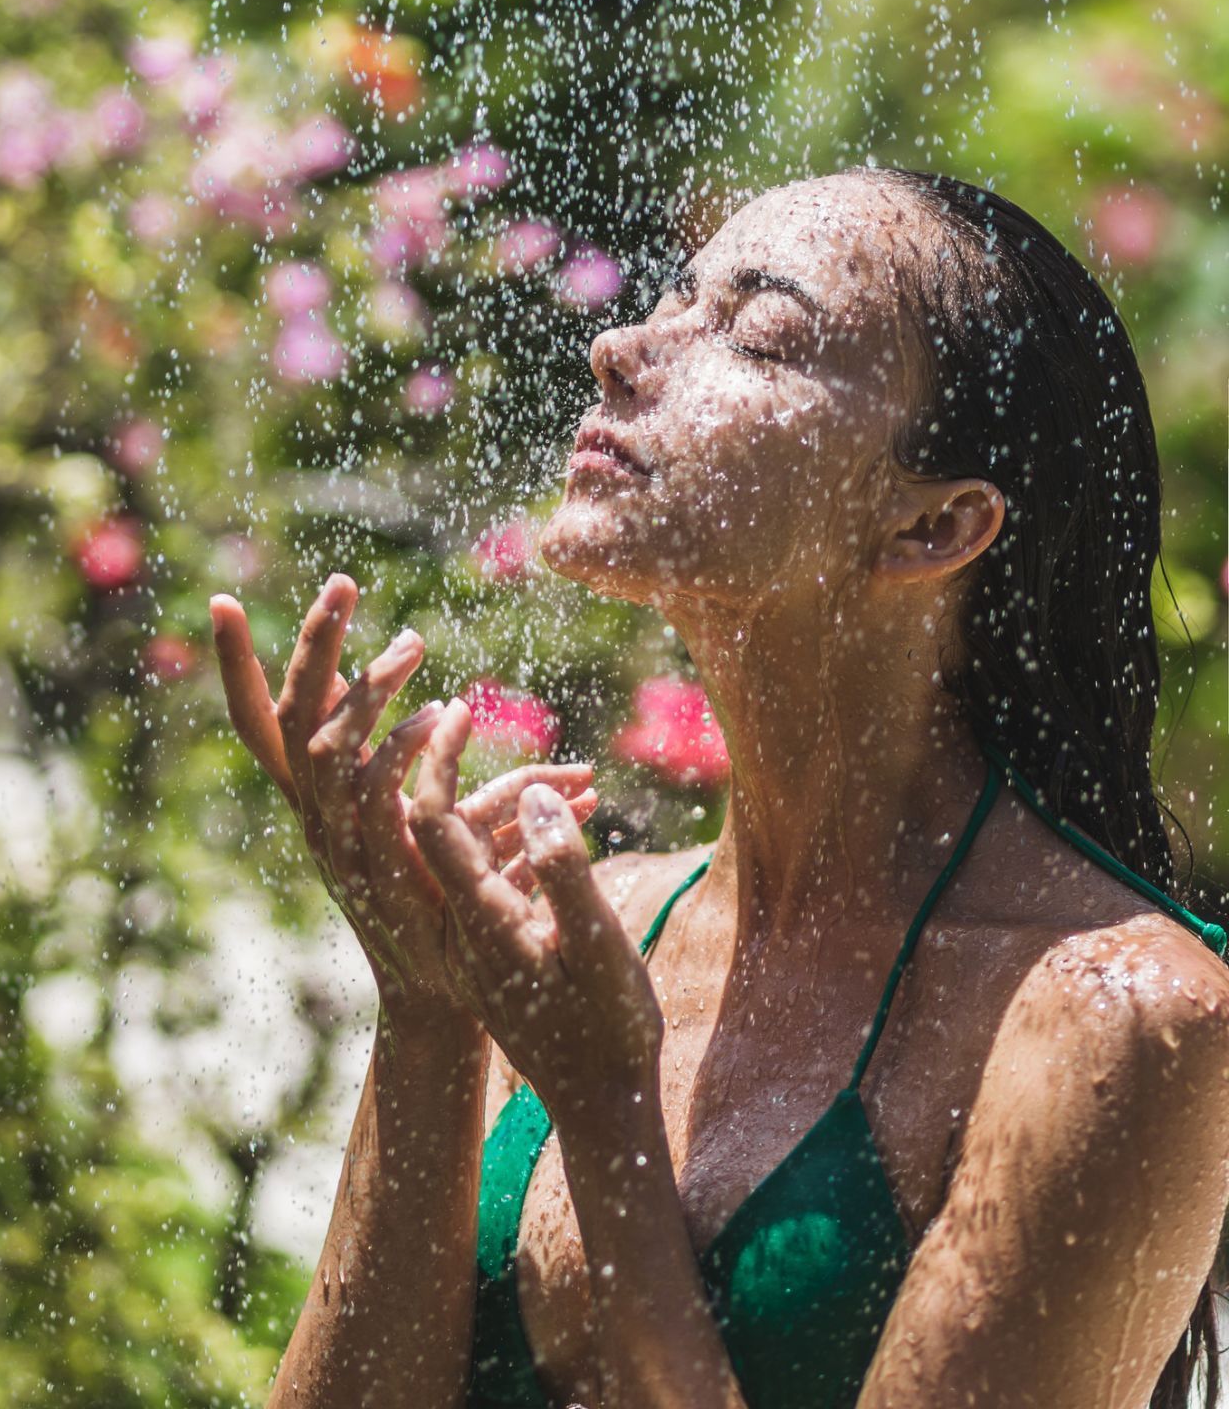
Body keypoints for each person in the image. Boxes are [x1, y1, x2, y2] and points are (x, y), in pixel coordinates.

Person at [211, 167, 1229, 1409]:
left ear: (932, 528)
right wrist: (426, 1008)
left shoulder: (1116, 1018)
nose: (620, 347)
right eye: (674, 299)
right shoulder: (560, 939)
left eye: (758, 332)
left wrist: (607, 1123)